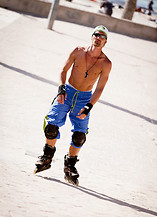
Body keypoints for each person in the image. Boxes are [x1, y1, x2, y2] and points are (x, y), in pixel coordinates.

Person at [35, 25, 112, 185]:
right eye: (96, 34)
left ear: (105, 42)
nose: (98, 38)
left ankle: (70, 165)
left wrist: (89, 106)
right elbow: (63, 70)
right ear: (92, 37)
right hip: (67, 92)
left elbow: (100, 88)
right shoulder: (78, 51)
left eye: (102, 36)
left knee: (79, 136)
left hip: (84, 98)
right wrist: (61, 89)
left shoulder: (106, 63)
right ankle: (47, 156)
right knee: (51, 126)